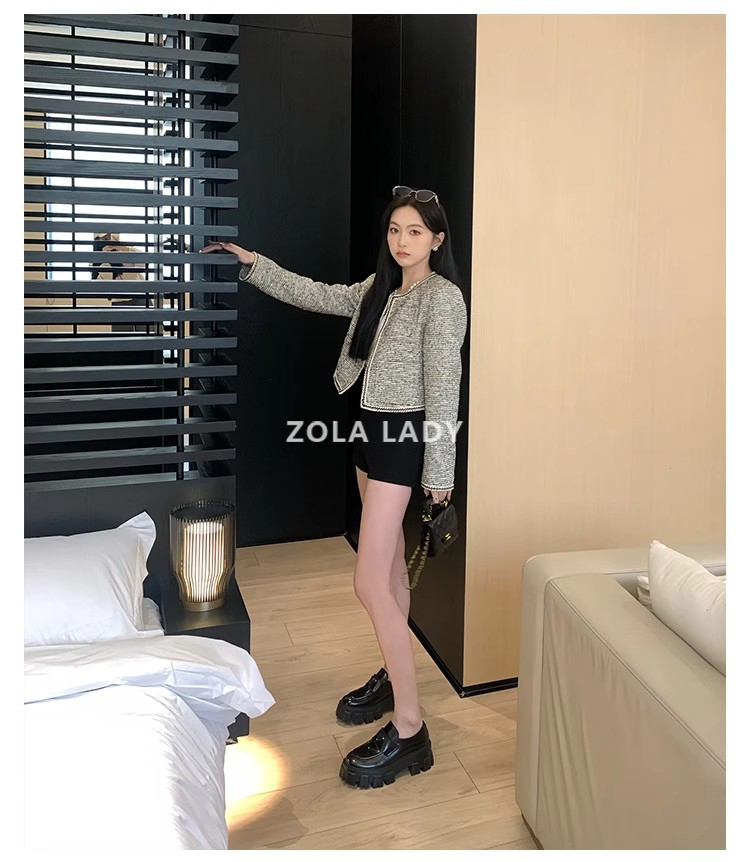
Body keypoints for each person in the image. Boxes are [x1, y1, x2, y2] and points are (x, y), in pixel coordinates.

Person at [200, 186, 468, 789]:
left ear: (437, 239)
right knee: (391, 575)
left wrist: (440, 477)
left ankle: (410, 728)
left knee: (368, 581)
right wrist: (254, 264)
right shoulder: (379, 289)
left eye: (415, 231)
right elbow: (317, 294)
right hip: (368, 434)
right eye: (395, 230)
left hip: (402, 443)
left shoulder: (442, 298)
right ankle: (393, 676)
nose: (402, 241)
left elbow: (444, 389)